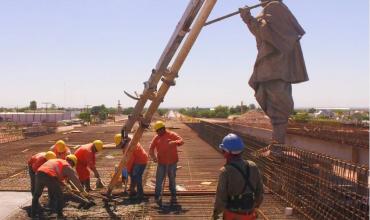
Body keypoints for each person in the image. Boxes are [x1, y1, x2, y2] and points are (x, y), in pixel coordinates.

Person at [239, 0, 309, 144]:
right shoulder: (275, 8)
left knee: (278, 107)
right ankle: (277, 145)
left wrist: (248, 18)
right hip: (274, 66)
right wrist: (249, 19)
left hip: (274, 66)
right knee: (275, 105)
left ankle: (277, 147)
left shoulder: (275, 7)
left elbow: (265, 32)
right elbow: (263, 31)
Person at [212, 134, 264, 220]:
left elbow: (221, 198)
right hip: (250, 214)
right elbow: (260, 192)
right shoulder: (253, 166)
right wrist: (255, 206)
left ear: (226, 153)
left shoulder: (225, 171)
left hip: (233, 215)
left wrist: (215, 214)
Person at [149, 120, 184, 205]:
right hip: (161, 163)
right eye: (156, 131)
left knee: (172, 179)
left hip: (172, 162)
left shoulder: (172, 135)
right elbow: (151, 149)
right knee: (159, 180)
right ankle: (157, 197)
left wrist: (174, 142)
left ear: (163, 129)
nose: (157, 133)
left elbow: (181, 141)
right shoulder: (156, 137)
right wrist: (153, 157)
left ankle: (173, 196)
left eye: (158, 131)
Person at [115, 133, 148, 200]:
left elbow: (130, 161)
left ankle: (140, 194)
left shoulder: (128, 147)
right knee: (133, 175)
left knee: (137, 176)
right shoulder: (128, 139)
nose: (120, 146)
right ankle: (132, 190)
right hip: (137, 159)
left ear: (123, 141)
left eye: (120, 144)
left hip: (140, 160)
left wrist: (128, 171)